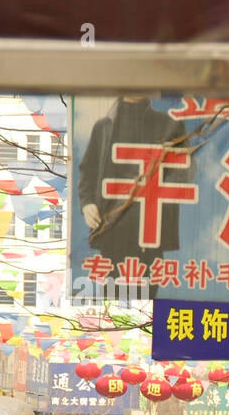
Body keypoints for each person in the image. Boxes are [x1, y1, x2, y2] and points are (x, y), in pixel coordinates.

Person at [76, 96, 191, 297]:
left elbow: (185, 170)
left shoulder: (169, 124)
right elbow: (88, 171)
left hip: (150, 231)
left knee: (146, 298)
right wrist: (87, 204)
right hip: (111, 230)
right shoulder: (103, 127)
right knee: (112, 300)